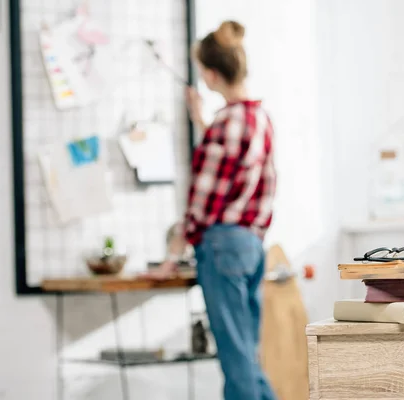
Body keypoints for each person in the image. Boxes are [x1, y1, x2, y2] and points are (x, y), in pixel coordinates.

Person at [140, 20, 278, 400]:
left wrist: (172, 256)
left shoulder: (223, 125)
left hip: (220, 247)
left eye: (203, 71)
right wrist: (201, 121)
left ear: (212, 74)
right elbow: (253, 179)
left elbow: (200, 203)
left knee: (237, 366)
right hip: (252, 245)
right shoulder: (260, 119)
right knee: (246, 358)